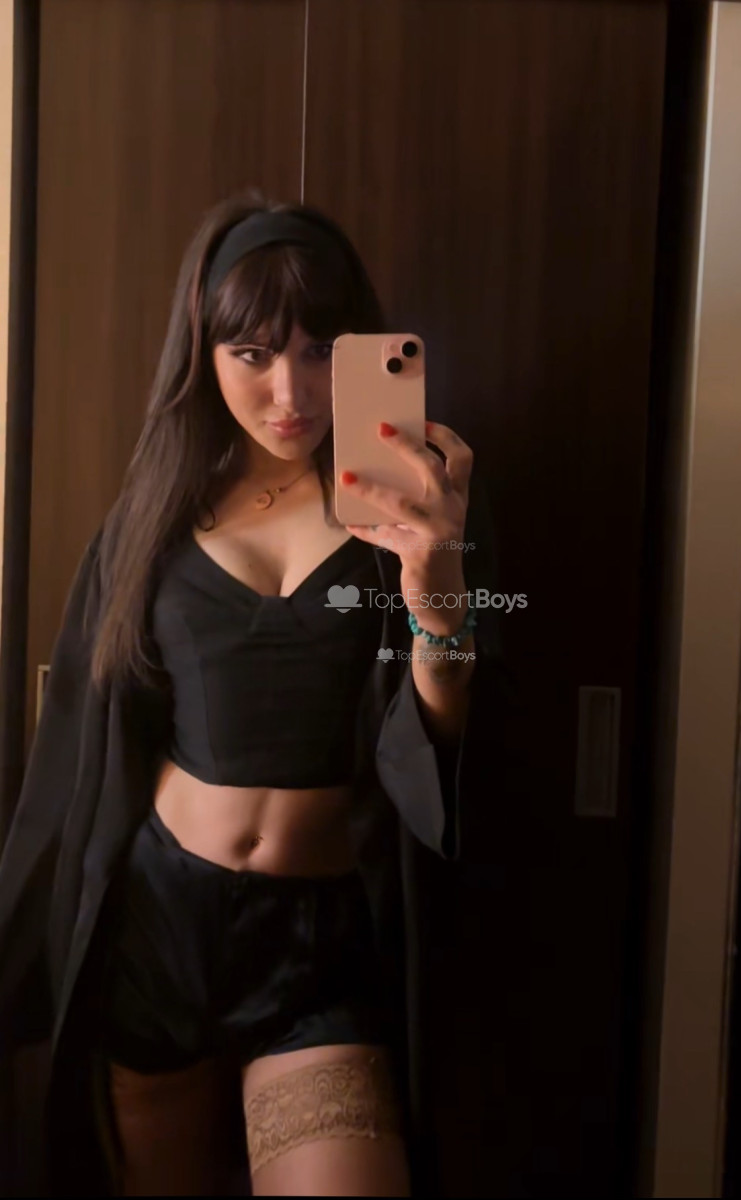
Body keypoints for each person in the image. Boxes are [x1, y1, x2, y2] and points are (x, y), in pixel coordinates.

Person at [0, 191, 510, 1196]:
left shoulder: (416, 505)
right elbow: (88, 741)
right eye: (254, 353)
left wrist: (438, 598)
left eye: (319, 351)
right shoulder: (155, 511)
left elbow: (446, 736)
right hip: (156, 931)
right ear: (205, 354)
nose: (290, 391)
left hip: (314, 952)